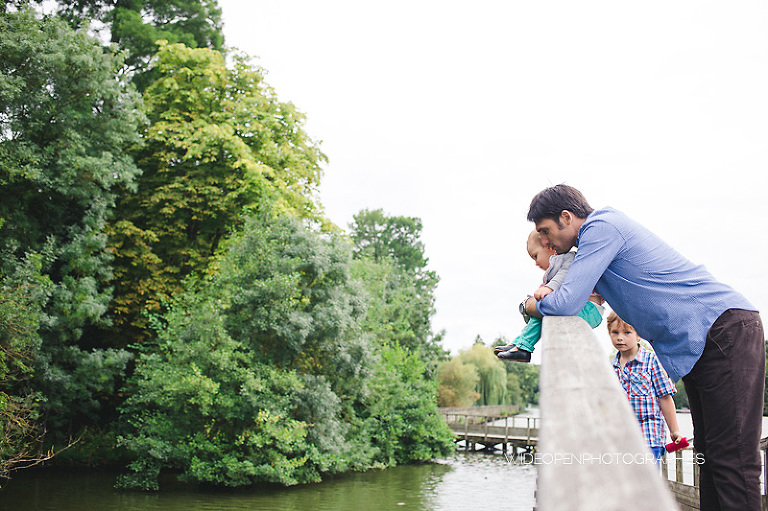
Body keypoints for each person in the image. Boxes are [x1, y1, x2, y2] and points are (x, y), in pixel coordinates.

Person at [524, 184, 764, 511]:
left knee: (733, 459)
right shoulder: (591, 245)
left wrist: (529, 306)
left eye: (545, 231)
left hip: (723, 330)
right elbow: (581, 300)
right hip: (701, 344)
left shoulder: (601, 228)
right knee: (709, 454)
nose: (545, 241)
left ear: (566, 217)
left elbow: (566, 302)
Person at [495, 230, 604, 362]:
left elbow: (565, 274)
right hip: (578, 307)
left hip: (589, 308)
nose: (536, 263)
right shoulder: (552, 271)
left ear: (549, 247)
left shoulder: (568, 258)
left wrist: (548, 288)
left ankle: (523, 346)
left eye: (535, 256)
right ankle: (520, 344)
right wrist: (531, 311)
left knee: (547, 309)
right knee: (545, 309)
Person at [607, 311, 682, 464]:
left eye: (627, 332)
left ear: (639, 335)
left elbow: (665, 397)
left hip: (648, 435)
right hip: (621, 438)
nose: (620, 337)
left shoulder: (652, 361)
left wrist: (675, 431)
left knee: (647, 476)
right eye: (615, 332)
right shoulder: (610, 367)